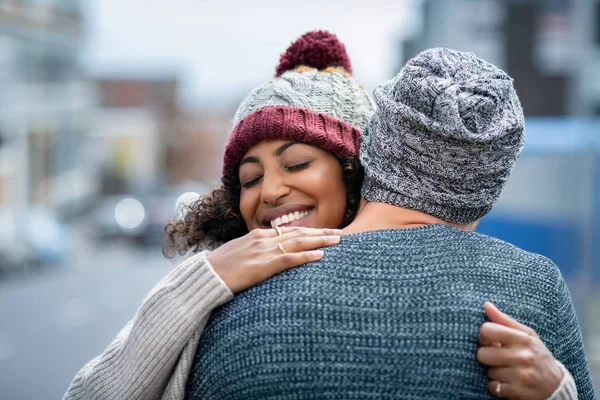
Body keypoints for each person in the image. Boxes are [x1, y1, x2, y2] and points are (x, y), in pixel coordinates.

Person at [64, 34, 580, 400]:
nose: (270, 191)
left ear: (360, 167)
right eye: (248, 179)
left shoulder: (239, 312)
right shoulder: (222, 295)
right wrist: (205, 279)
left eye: (297, 163)